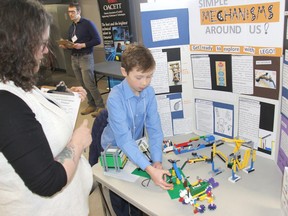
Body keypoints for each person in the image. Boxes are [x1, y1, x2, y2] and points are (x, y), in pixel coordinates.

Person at [0, 0, 93, 215]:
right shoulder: (5, 107)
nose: (45, 51)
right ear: (19, 46)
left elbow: (29, 99)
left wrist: (61, 94)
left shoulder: (12, 81)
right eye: (41, 43)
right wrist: (77, 143)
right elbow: (48, 182)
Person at [101, 44, 173, 215]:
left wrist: (156, 160)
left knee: (138, 198)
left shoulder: (149, 92)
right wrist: (149, 169)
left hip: (135, 146)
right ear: (124, 72)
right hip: (114, 149)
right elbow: (124, 140)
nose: (145, 82)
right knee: (121, 196)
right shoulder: (115, 98)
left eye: (149, 76)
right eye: (139, 77)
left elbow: (154, 129)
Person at [60, 2, 105, 117]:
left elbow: (97, 40)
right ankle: (91, 105)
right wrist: (66, 45)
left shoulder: (87, 23)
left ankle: (100, 106)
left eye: (73, 12)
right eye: (69, 12)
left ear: (79, 12)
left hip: (86, 57)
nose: (70, 14)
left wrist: (83, 45)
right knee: (82, 84)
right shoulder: (71, 27)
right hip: (74, 57)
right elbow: (73, 43)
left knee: (89, 83)